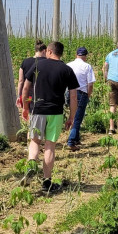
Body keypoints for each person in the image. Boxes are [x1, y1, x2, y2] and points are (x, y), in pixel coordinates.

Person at [21, 41, 79, 192]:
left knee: (34, 142)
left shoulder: (37, 65)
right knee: (50, 145)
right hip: (56, 112)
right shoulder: (67, 70)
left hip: (38, 110)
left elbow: (26, 88)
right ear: (61, 53)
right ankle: (47, 183)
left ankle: (31, 166)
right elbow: (73, 97)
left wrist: (26, 107)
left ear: (49, 51)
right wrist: (71, 117)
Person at [65, 47, 95, 151]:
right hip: (81, 93)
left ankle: (76, 138)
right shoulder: (87, 66)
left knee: (74, 114)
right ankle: (71, 141)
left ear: (76, 54)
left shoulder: (68, 65)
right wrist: (88, 95)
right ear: (85, 56)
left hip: (69, 93)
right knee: (77, 118)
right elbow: (90, 84)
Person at [16, 39, 47, 107]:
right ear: (44, 51)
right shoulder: (47, 62)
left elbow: (21, 81)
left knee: (28, 112)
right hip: (42, 96)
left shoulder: (25, 62)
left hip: (28, 96)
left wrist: (19, 96)